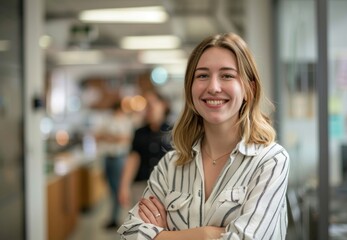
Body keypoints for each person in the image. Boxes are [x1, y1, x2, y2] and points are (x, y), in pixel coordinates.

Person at [118, 32, 290, 240]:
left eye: (227, 75)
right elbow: (130, 233)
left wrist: (163, 235)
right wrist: (207, 235)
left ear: (248, 89)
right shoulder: (169, 166)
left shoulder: (270, 161)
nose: (213, 87)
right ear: (190, 88)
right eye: (202, 75)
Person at [118, 90, 172, 211]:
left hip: (167, 187)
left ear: (163, 105)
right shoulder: (139, 132)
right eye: (146, 105)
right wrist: (124, 186)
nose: (149, 108)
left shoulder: (174, 131)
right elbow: (133, 158)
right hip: (141, 186)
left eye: (153, 104)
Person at [95, 101, 132, 229]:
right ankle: (114, 216)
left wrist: (110, 137)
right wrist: (113, 138)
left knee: (118, 188)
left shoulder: (125, 122)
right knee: (111, 189)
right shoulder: (107, 121)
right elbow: (97, 136)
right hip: (107, 157)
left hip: (119, 158)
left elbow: (126, 138)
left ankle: (117, 217)